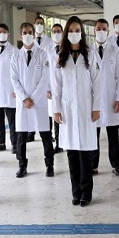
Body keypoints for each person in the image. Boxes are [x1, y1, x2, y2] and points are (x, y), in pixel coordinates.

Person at [52, 17, 101, 206]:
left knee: (85, 154)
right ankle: (76, 191)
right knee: (72, 153)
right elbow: (56, 85)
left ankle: (86, 192)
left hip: (86, 108)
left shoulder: (90, 54)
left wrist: (96, 107)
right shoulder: (60, 55)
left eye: (77, 30)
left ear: (81, 32)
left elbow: (97, 83)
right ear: (66, 33)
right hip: (67, 110)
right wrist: (56, 109)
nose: (74, 34)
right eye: (71, 30)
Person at [11, 23, 55, 178]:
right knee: (21, 137)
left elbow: (45, 78)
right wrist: (24, 98)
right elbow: (14, 79)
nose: (28, 35)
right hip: (23, 103)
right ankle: (22, 165)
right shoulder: (15, 55)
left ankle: (49, 165)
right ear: (20, 36)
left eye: (30, 32)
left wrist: (33, 98)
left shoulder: (42, 54)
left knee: (45, 135)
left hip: (39, 102)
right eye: (25, 32)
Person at [90, 19, 119, 176]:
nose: (101, 31)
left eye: (104, 29)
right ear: (94, 31)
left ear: (108, 32)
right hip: (93, 101)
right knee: (93, 136)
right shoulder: (88, 51)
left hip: (111, 99)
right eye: (98, 28)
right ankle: (93, 166)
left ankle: (115, 165)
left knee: (113, 136)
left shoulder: (114, 51)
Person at [0, 23, 17, 155]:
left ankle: (15, 144)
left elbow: (18, 71)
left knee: (12, 121)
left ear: (8, 34)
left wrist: (16, 89)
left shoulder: (14, 51)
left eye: (4, 32)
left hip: (10, 91)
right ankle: (1, 142)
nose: (2, 34)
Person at [48, 23, 64, 153]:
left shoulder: (68, 49)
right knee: (56, 116)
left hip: (66, 87)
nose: (56, 33)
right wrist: (47, 88)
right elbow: (45, 71)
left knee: (67, 115)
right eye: (54, 31)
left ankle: (67, 141)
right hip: (53, 89)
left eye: (59, 31)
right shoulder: (47, 50)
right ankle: (58, 144)